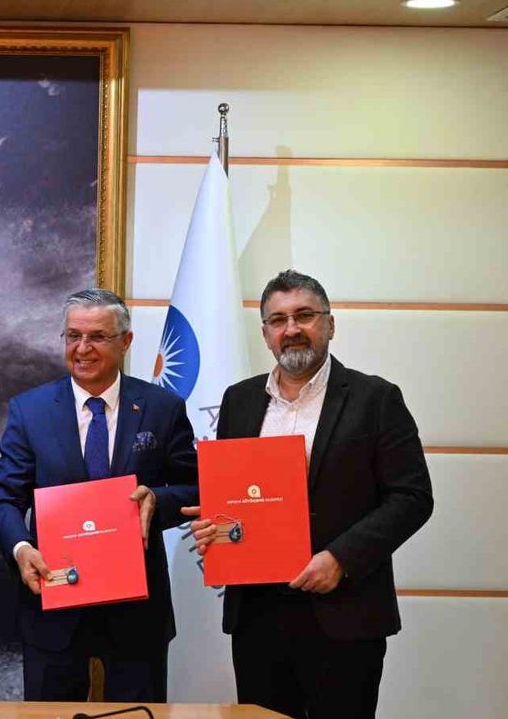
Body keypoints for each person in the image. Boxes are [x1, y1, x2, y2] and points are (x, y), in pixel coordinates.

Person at [184, 270, 433, 719]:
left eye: (304, 315)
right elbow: (236, 497)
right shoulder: (239, 400)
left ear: (330, 324)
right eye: (278, 320)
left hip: (344, 613)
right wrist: (215, 528)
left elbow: (412, 497)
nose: (292, 329)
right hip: (257, 617)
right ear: (265, 334)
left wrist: (341, 558)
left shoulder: (376, 398)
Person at [0, 288, 198, 702]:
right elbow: (5, 499)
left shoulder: (162, 407)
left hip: (137, 609)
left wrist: (158, 501)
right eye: (73, 336)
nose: (82, 348)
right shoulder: (30, 410)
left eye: (98, 337)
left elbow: (195, 486)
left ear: (125, 341)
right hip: (54, 599)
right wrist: (20, 548)